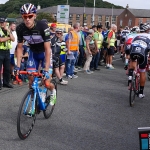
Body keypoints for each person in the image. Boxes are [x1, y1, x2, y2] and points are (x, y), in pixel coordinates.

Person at [15, 3, 56, 105]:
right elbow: (19, 48)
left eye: (30, 16)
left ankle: (53, 91)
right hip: (33, 54)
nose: (27, 19)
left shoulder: (42, 26)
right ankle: (34, 101)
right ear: (22, 17)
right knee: (31, 81)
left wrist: (46, 69)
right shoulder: (20, 28)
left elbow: (47, 49)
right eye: (25, 17)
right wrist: (18, 66)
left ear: (35, 16)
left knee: (46, 82)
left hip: (45, 53)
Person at [128, 23, 150, 98]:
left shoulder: (136, 35)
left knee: (133, 60)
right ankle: (141, 93)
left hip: (133, 52)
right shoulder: (149, 36)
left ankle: (131, 74)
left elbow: (130, 46)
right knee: (142, 72)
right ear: (147, 30)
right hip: (143, 54)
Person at [0, 17, 15, 90]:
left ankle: (6, 83)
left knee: (7, 68)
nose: (2, 24)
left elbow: (13, 39)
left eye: (3, 22)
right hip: (0, 51)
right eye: (1, 22)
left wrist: (8, 31)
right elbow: (1, 40)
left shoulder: (8, 30)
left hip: (7, 51)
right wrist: (9, 38)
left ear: (6, 23)